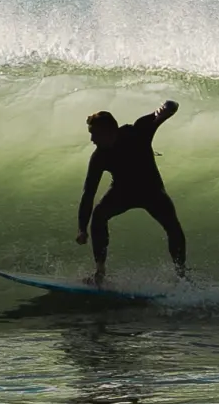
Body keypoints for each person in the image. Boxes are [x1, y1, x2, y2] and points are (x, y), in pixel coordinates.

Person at [76, 99, 187, 283]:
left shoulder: (139, 131)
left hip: (151, 191)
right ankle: (100, 272)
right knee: (98, 215)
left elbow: (167, 108)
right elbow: (88, 193)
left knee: (173, 227)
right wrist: (82, 228)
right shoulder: (99, 157)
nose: (92, 139)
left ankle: (181, 274)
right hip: (122, 192)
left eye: (94, 134)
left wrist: (168, 109)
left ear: (108, 131)